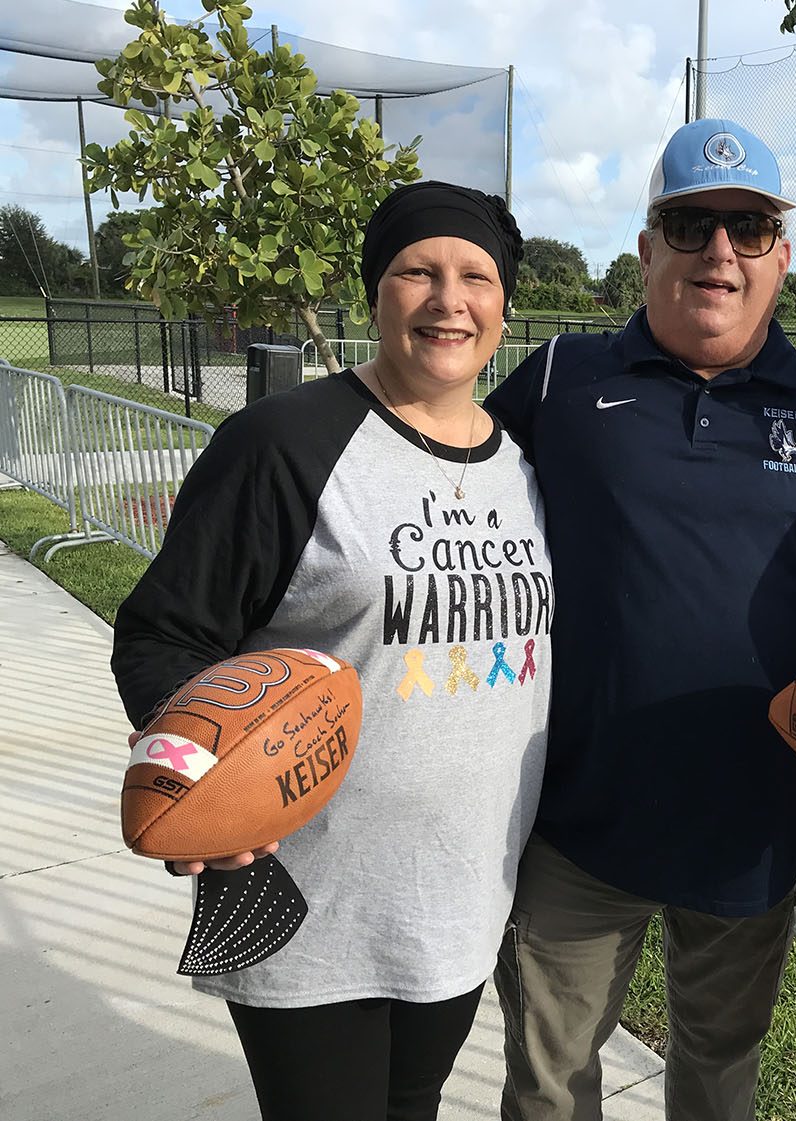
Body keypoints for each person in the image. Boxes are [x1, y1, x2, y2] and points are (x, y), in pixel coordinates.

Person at [111, 181, 552, 1121]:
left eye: (475, 276)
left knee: (412, 1103)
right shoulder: (282, 443)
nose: (448, 299)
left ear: (504, 307)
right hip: (299, 887)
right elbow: (162, 632)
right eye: (416, 272)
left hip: (459, 885)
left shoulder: (524, 464)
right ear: (373, 292)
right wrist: (199, 778)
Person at [483, 117, 796, 1121]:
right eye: (690, 223)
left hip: (745, 827)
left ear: (780, 257)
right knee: (546, 1088)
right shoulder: (559, 378)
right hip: (577, 822)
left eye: (746, 227)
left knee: (716, 1081)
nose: (718, 250)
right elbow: (431, 465)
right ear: (646, 247)